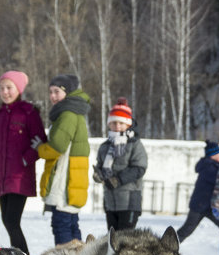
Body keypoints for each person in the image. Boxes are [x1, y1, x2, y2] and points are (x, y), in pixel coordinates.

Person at [0, 70, 46, 254]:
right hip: (2, 177)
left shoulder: (28, 113)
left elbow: (40, 141)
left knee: (12, 221)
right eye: (2, 88)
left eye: (9, 88)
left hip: (19, 176)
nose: (5, 92)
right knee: (7, 221)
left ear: (18, 89)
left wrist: (25, 159)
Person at [37, 74, 90, 245]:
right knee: (71, 225)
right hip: (70, 179)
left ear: (67, 93)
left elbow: (56, 147)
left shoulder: (67, 114)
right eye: (51, 92)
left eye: (57, 91)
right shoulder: (73, 112)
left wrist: (39, 148)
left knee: (62, 225)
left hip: (65, 180)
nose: (53, 96)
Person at [93, 98, 148, 231]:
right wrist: (98, 175)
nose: (117, 126)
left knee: (125, 240)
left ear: (128, 124)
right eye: (114, 123)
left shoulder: (135, 144)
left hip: (129, 201)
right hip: (110, 201)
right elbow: (100, 166)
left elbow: (139, 168)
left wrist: (117, 180)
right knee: (112, 240)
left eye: (121, 123)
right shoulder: (105, 146)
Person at [177, 141, 219, 241]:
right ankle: (164, 248)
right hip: (200, 206)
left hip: (209, 206)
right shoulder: (209, 167)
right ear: (213, 155)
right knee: (186, 230)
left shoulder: (212, 166)